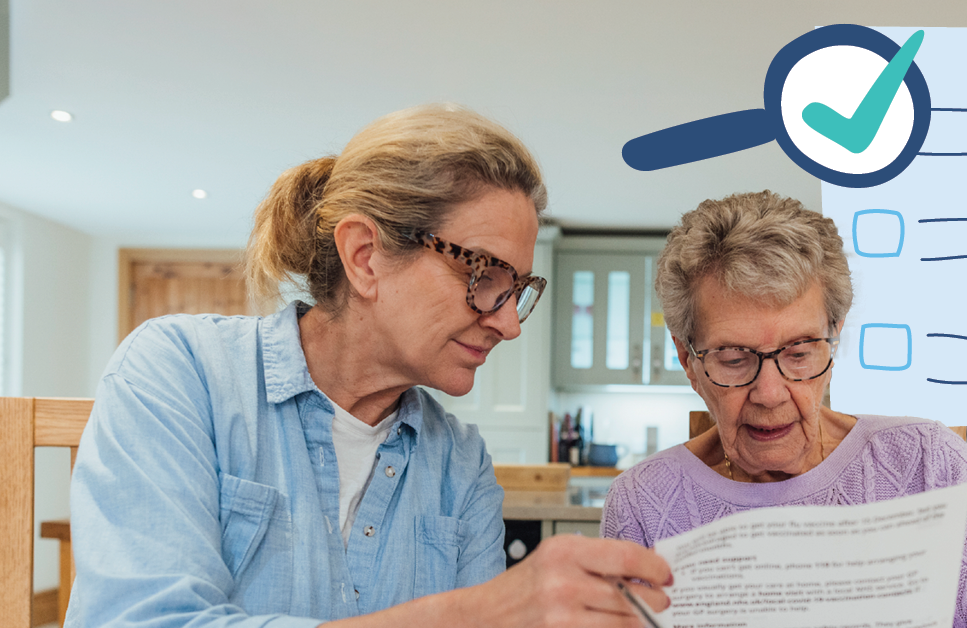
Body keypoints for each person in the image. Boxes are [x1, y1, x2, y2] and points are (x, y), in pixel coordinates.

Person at [67, 104, 671, 628]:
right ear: (364, 256)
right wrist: (474, 616)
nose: (510, 323)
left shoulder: (459, 466)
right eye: (484, 276)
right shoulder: (180, 373)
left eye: (518, 289)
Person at [600, 191, 967, 628]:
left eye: (800, 353)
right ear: (688, 360)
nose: (770, 393)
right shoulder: (641, 504)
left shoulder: (929, 463)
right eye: (734, 358)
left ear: (835, 336)